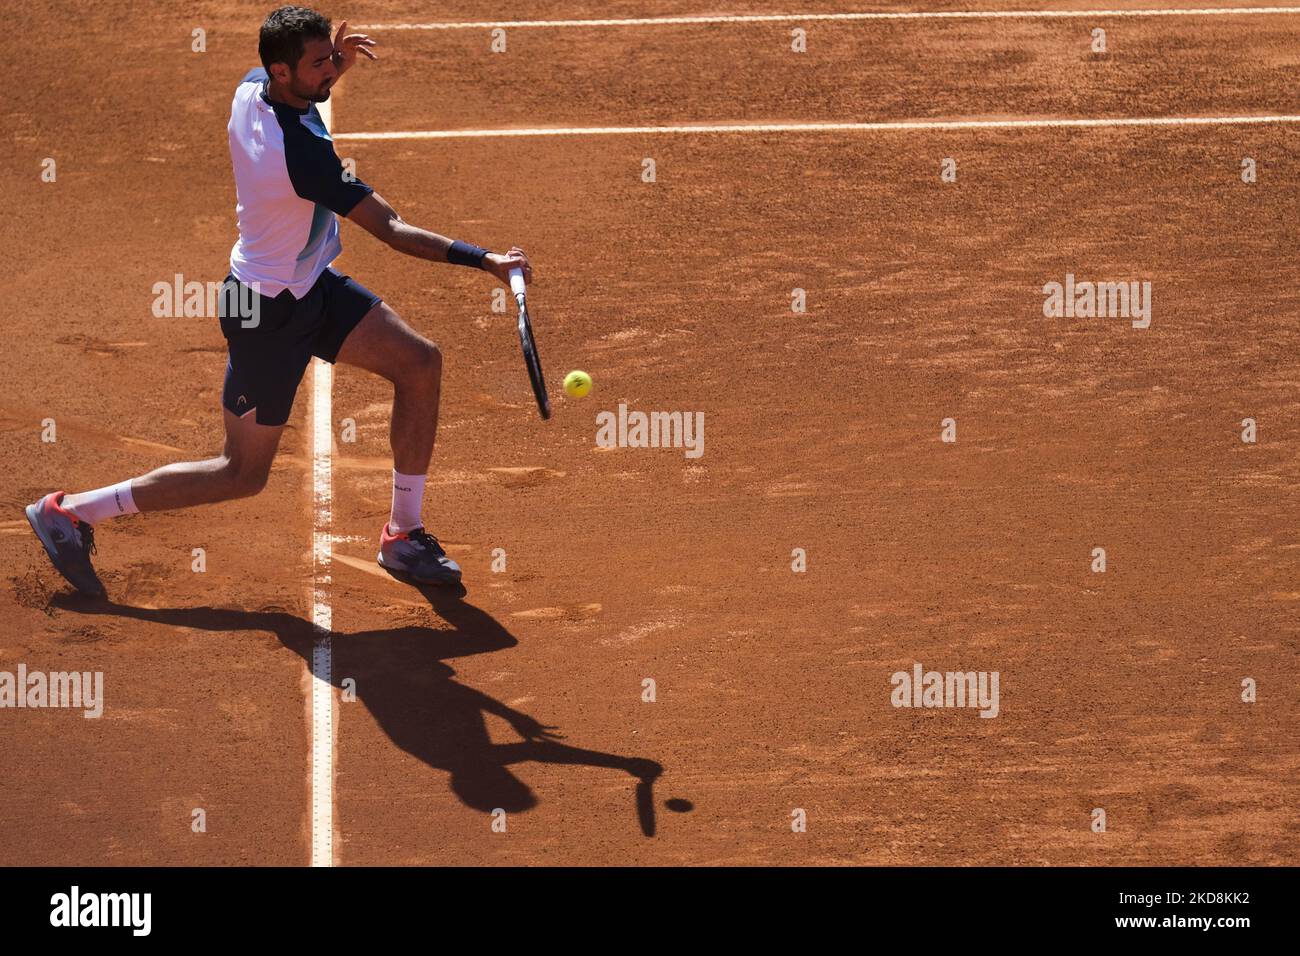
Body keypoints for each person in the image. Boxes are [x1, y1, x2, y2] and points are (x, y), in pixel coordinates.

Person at [26, 6, 532, 596]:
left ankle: (404, 534)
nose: (330, 70)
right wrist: (486, 260)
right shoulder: (303, 155)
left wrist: (329, 70)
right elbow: (391, 229)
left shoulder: (252, 88)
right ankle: (73, 511)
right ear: (282, 71)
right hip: (264, 313)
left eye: (329, 60)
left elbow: (295, 94)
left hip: (309, 286)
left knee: (419, 362)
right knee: (240, 474)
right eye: (318, 65)